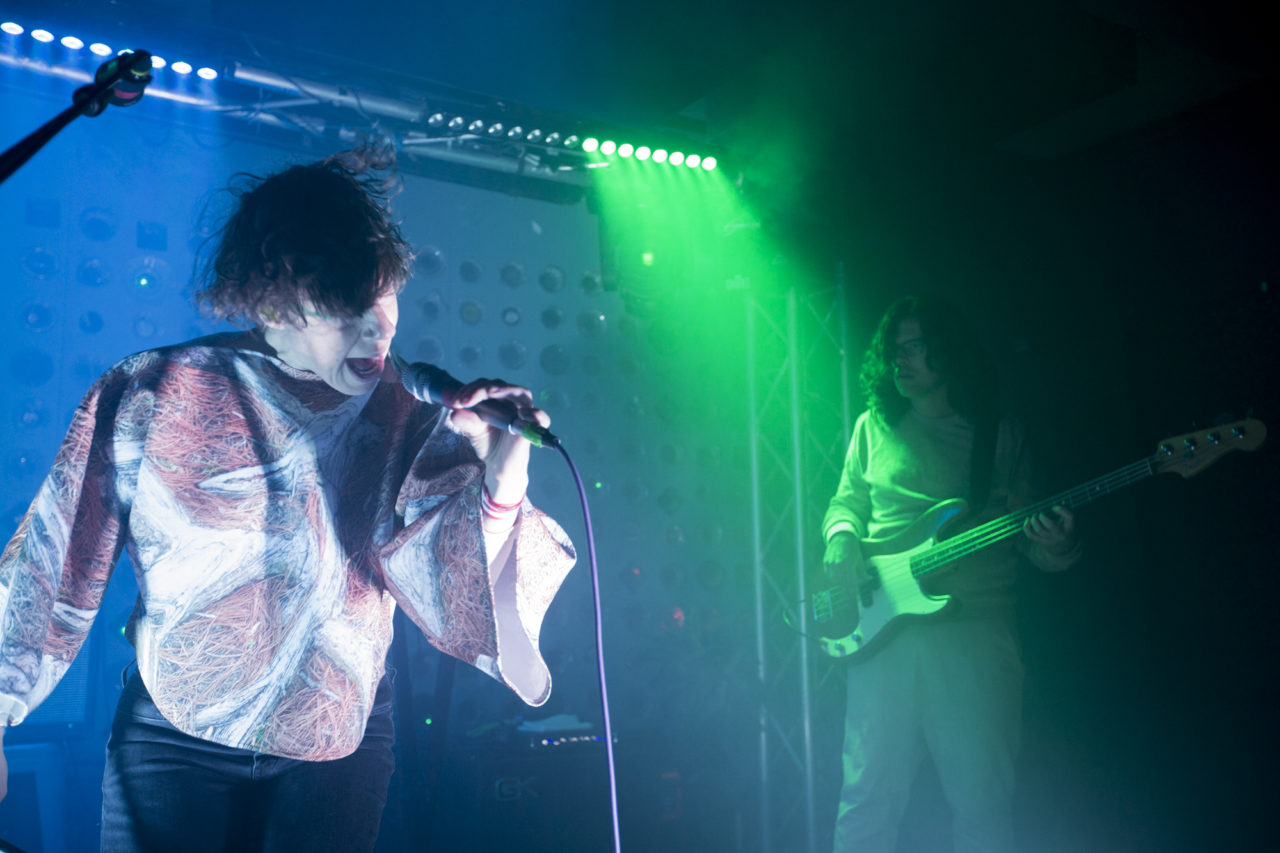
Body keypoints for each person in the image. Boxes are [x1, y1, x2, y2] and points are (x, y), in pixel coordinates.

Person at [0, 147, 576, 851]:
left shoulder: (411, 411)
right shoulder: (156, 389)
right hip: (174, 740)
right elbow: (54, 557)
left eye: (386, 293)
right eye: (347, 303)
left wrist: (503, 475)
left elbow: (456, 588)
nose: (379, 326)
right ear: (272, 302)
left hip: (336, 745)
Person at [822, 296, 1081, 853]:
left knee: (982, 803)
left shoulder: (997, 434)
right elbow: (846, 502)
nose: (902, 360)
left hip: (974, 636)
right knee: (865, 798)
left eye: (916, 347)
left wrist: (1057, 545)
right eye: (896, 349)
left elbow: (1035, 545)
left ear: (948, 353)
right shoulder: (873, 427)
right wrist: (841, 540)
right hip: (881, 637)